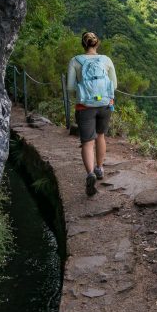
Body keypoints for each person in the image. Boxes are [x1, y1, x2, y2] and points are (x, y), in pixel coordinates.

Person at [67, 31, 117, 196]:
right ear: (97, 43)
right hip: (104, 104)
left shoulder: (75, 61)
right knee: (101, 136)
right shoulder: (106, 60)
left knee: (88, 142)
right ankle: (100, 168)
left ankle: (90, 174)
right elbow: (114, 85)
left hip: (84, 106)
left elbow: (70, 87)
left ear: (83, 44)